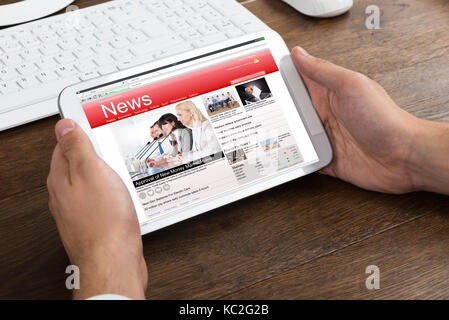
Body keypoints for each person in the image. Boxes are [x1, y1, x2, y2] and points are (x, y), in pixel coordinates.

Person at [46, 46, 449, 299]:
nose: (161, 128)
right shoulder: (153, 141)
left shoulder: (189, 135)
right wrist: (406, 150)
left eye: (168, 122)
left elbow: (190, 155)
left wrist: (105, 255)